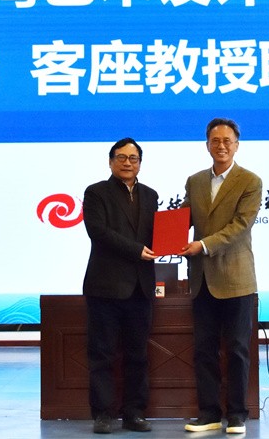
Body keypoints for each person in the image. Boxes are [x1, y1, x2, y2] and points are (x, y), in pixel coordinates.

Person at [180, 118, 261, 435]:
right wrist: (165, 237)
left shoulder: (250, 181)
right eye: (215, 140)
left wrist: (202, 245)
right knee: (204, 350)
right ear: (207, 145)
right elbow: (183, 218)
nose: (221, 146)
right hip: (201, 280)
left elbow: (240, 227)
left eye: (227, 140)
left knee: (238, 350)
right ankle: (209, 413)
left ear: (237, 145)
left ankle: (237, 414)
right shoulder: (195, 181)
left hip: (236, 279)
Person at [82, 138, 159, 434]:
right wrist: (137, 250)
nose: (128, 162)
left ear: (140, 163)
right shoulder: (96, 192)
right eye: (122, 157)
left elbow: (156, 234)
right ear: (111, 161)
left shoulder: (150, 195)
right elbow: (98, 232)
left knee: (138, 355)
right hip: (105, 287)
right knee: (102, 354)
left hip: (141, 288)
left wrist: (172, 241)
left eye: (133, 158)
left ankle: (134, 413)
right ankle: (103, 414)